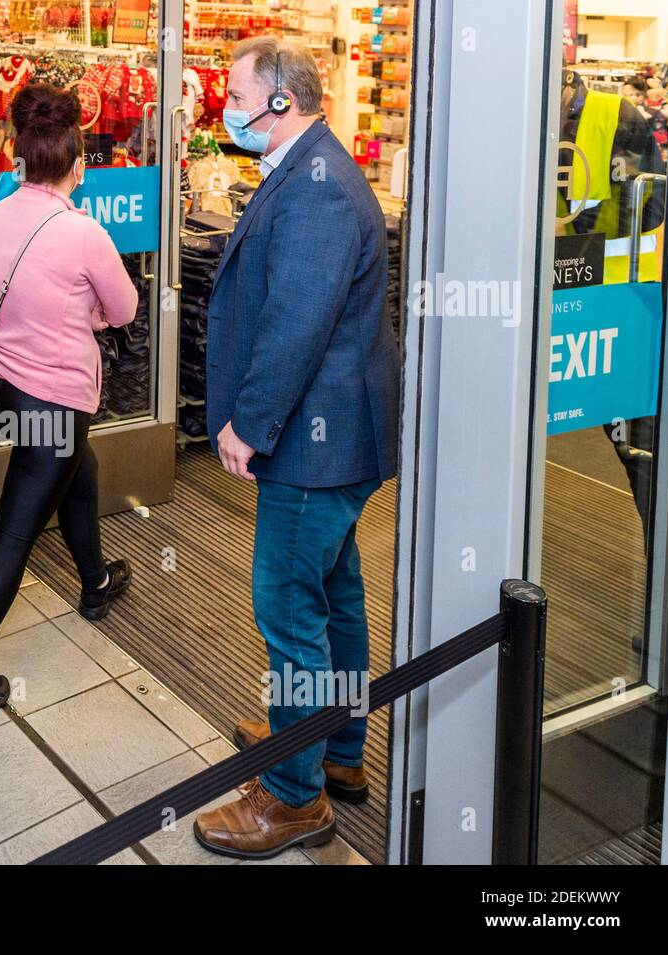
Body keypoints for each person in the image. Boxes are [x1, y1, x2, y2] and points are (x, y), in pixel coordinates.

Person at [192, 37, 400, 859]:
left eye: (235, 93)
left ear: (280, 100)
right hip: (341, 435)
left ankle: (292, 795)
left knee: (289, 606)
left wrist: (252, 423)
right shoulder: (314, 166)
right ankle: (332, 749)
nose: (225, 106)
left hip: (316, 441)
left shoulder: (316, 189)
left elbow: (298, 322)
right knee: (335, 593)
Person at [0, 83, 138, 719]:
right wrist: (89, 310)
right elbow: (123, 308)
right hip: (55, 397)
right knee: (15, 535)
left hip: (7, 386)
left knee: (80, 469)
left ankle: (95, 581)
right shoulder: (83, 233)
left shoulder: (0, 211)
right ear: (79, 163)